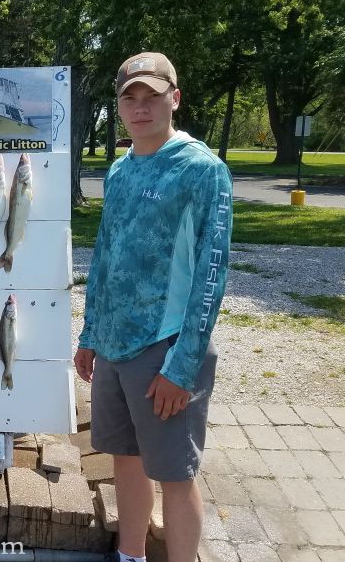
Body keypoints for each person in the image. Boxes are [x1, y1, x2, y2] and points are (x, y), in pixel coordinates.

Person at [74, 52, 232, 562]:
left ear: (174, 98)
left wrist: (182, 367)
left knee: (175, 474)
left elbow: (212, 273)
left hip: (163, 351)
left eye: (152, 96)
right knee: (124, 459)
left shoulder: (201, 170)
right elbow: (105, 257)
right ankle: (132, 553)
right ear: (119, 106)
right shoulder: (120, 171)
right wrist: (89, 333)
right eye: (130, 98)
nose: (140, 108)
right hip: (115, 347)